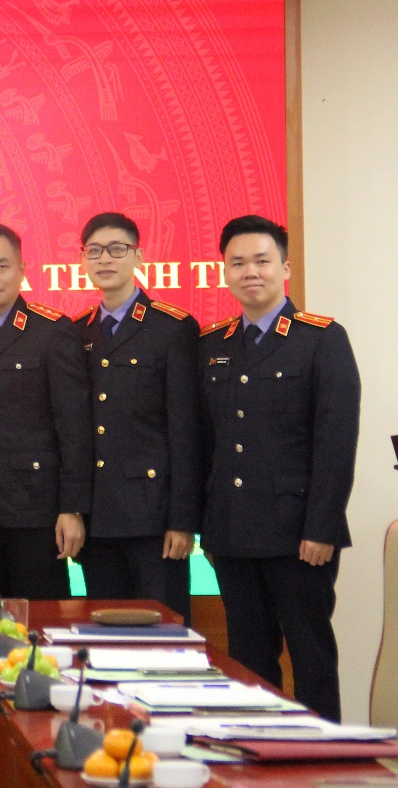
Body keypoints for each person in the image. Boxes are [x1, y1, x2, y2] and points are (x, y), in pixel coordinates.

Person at [199, 215, 359, 722]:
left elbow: (336, 443)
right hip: (232, 533)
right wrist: (206, 525)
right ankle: (257, 750)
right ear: (225, 272)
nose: (250, 272)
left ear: (285, 268)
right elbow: (206, 443)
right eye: (237, 263)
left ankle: (323, 756)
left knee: (311, 658)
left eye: (262, 261)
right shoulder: (213, 344)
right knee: (248, 661)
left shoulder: (321, 338)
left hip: (298, 536)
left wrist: (322, 527)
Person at [0, 223, 92, 599]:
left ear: (22, 269)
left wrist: (72, 508)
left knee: (39, 620)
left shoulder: (52, 332)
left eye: (1, 266)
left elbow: (74, 428)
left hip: (35, 511)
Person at [73, 213, 202, 624]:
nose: (104, 259)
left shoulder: (172, 328)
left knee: (163, 636)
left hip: (154, 519)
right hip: (97, 519)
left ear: (138, 256)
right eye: (94, 251)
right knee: (106, 636)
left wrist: (183, 520)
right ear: (83, 259)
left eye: (117, 249)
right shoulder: (77, 333)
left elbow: (186, 431)